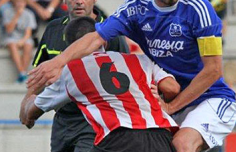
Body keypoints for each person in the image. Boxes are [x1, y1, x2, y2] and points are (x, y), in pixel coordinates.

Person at [28, 0, 236, 152]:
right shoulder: (136, 9)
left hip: (209, 98)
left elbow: (213, 70)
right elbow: (95, 37)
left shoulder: (199, 10)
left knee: (181, 144)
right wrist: (59, 62)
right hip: (168, 100)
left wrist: (171, 106)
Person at [20, 16, 179, 152]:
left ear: (71, 48)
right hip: (161, 137)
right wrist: (163, 102)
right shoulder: (139, 60)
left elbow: (32, 113)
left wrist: (29, 100)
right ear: (106, 43)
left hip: (119, 139)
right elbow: (172, 88)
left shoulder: (73, 71)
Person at [32, 0, 130, 152]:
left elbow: (126, 82)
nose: (79, 1)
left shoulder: (111, 34)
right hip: (62, 123)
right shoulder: (52, 29)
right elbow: (37, 76)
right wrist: (29, 101)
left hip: (96, 123)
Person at [3, 0, 36, 82]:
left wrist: (23, 40)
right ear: (14, 2)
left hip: (24, 38)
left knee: (28, 44)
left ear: (25, 3)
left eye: (22, 2)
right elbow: (9, 30)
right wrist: (17, 15)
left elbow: (28, 33)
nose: (20, 4)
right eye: (18, 1)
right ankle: (22, 72)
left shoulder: (29, 14)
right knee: (12, 44)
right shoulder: (7, 12)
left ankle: (22, 73)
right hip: (11, 37)